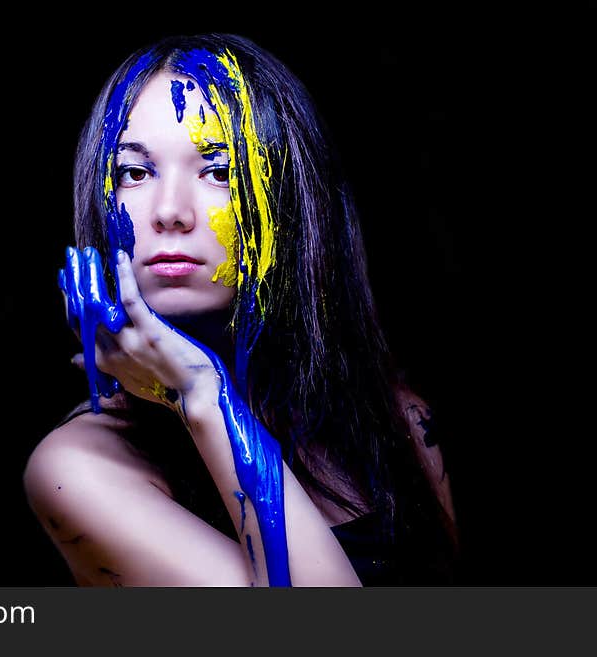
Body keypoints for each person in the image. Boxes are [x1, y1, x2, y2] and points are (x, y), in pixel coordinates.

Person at [23, 33, 459, 586]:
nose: (169, 212)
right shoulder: (80, 469)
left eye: (220, 171)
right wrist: (201, 396)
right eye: (134, 172)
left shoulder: (397, 421)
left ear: (291, 198)